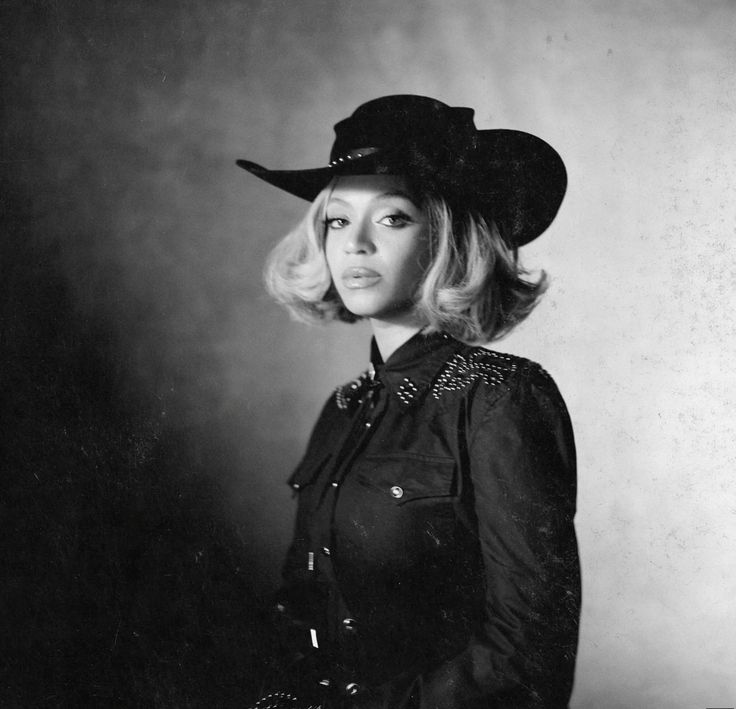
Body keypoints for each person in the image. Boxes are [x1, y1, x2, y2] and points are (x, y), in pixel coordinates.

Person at [238, 95, 580, 709]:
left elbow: (527, 654)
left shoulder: (498, 398)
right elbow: (301, 612)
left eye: (393, 218)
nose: (355, 244)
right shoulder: (343, 409)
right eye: (337, 221)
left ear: (448, 239)